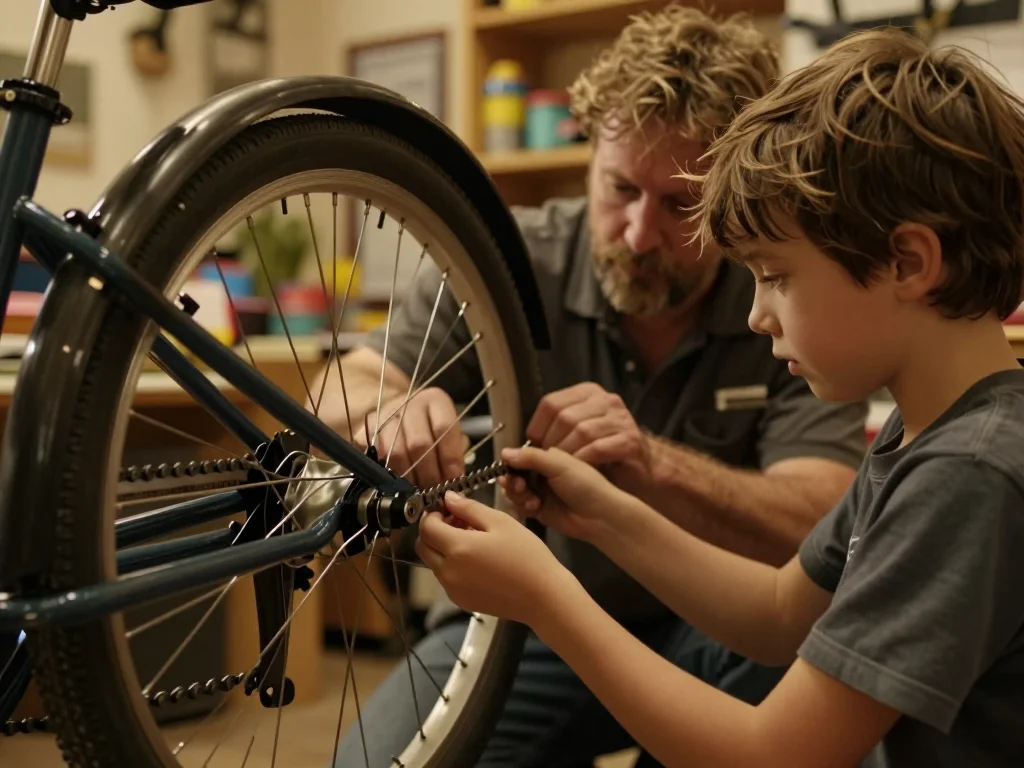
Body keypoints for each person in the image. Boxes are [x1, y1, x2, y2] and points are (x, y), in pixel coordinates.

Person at [417, 25, 1024, 767]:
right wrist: (609, 517)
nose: (756, 313)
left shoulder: (969, 472)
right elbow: (776, 613)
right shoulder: (925, 432)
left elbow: (773, 755)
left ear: (907, 261)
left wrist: (544, 592)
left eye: (777, 275)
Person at [322, 5, 869, 765]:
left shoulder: (782, 293)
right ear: (590, 155)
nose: (640, 235)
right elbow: (338, 389)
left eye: (681, 203)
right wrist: (392, 408)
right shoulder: (507, 262)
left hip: (722, 632)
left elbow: (822, 522)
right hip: (524, 628)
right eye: (619, 190)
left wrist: (653, 463)